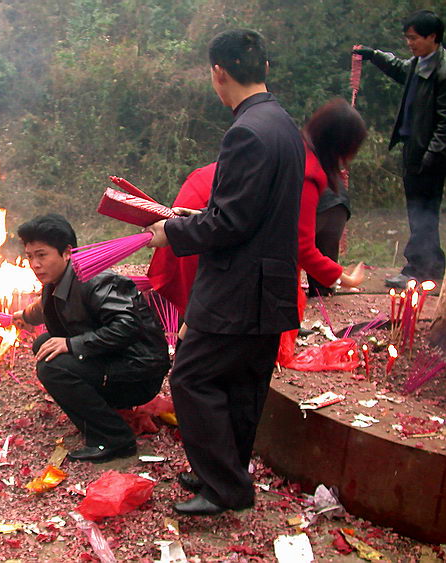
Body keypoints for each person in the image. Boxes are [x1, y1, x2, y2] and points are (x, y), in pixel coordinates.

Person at [146, 29, 305, 515]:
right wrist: (195, 219)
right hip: (270, 283)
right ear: (265, 68)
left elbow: (231, 222)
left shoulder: (246, 132)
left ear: (218, 72)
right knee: (243, 383)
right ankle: (225, 472)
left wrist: (172, 233)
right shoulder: (283, 126)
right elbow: (251, 213)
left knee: (192, 378)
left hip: (237, 286)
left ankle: (225, 488)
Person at [148, 99, 367, 365]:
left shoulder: (286, 142)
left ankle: (181, 375)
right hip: (211, 227)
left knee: (199, 318)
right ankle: (189, 381)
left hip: (203, 213)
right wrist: (344, 278)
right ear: (343, 147)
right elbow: (301, 247)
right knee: (208, 328)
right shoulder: (307, 172)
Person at [12, 213, 170, 462]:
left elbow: (127, 326)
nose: (34, 264)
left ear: (66, 252)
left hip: (139, 371)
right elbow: (46, 308)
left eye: (42, 255)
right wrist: (23, 316)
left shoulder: (98, 281)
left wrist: (71, 344)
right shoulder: (59, 279)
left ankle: (114, 439)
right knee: (43, 345)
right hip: (114, 359)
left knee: (53, 367)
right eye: (30, 256)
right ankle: (104, 413)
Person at [354, 10, 446, 289]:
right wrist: (372, 55)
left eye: (414, 38)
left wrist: (431, 155)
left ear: (432, 37)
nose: (409, 43)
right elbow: (399, 67)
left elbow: (445, 121)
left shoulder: (441, 71)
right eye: (407, 38)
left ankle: (419, 270)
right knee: (419, 211)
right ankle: (430, 265)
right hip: (415, 148)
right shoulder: (421, 63)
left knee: (423, 212)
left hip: (429, 154)